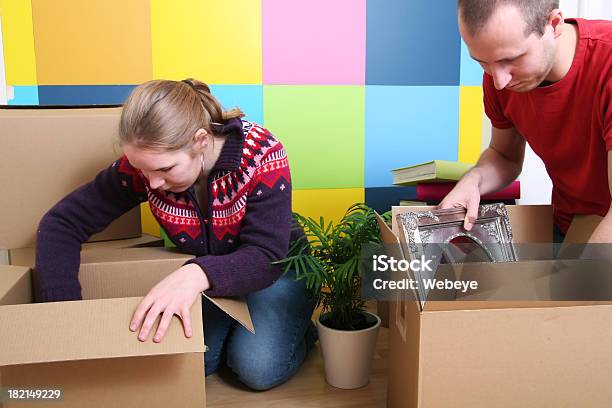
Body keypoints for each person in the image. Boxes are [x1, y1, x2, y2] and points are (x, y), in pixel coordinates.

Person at [34, 78, 317, 390]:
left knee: (255, 368)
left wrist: (195, 274)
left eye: (165, 170)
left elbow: (265, 257)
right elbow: (60, 224)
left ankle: (304, 329)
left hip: (279, 268)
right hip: (214, 274)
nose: (152, 183)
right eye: (143, 171)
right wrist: (63, 311)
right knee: (195, 363)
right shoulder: (147, 164)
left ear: (200, 141)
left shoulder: (262, 153)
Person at [441, 0, 611, 243]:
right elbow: (504, 155)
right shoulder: (499, 79)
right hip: (570, 221)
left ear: (554, 24)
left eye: (511, 59)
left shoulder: (607, 62)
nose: (499, 81)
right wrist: (473, 180)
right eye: (482, 62)